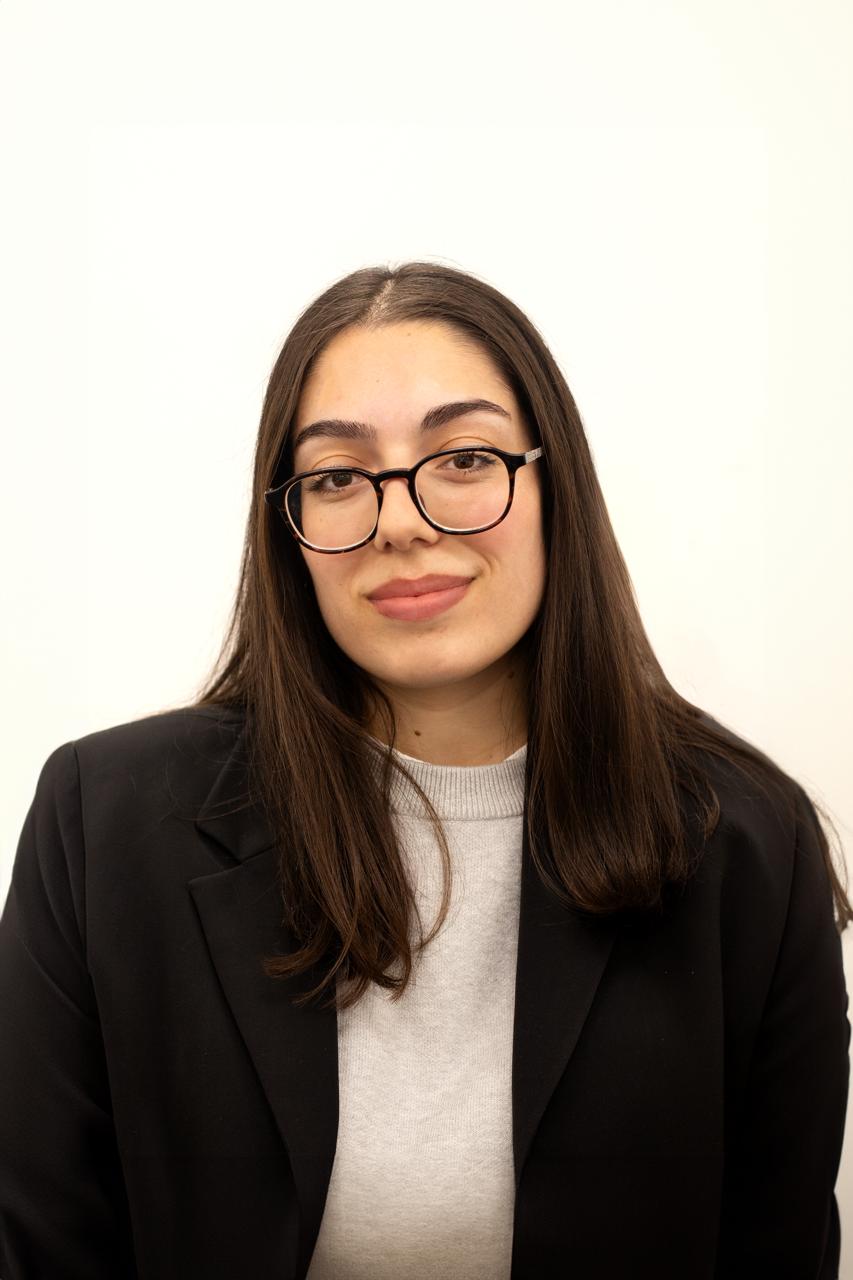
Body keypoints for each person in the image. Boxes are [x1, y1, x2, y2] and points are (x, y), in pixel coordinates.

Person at [0, 260, 849, 1280]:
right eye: (335, 476)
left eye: (463, 457)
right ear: (287, 527)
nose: (400, 520)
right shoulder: (103, 822)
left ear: (554, 486)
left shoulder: (747, 841)